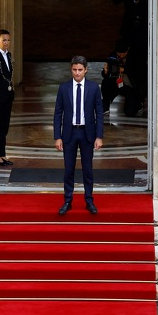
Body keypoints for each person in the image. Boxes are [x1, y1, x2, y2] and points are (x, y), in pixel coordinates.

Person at [54, 55, 104, 215]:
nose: (77, 73)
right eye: (74, 70)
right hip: (69, 133)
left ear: (86, 70)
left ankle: (89, 200)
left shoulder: (94, 88)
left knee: (87, 169)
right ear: (71, 70)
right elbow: (58, 113)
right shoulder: (64, 88)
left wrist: (99, 136)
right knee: (68, 169)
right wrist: (57, 136)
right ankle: (67, 200)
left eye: (80, 70)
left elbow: (99, 113)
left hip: (87, 133)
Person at [0, 30, 15, 167]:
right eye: (4, 40)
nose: (6, 43)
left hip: (7, 96)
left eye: (8, 40)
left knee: (4, 126)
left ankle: (2, 154)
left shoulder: (8, 55)